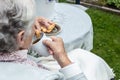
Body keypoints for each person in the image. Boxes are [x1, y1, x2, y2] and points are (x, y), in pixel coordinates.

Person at [0, 0, 114, 80]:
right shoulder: (42, 77)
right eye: (31, 27)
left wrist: (23, 22)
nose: (34, 29)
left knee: (81, 55)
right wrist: (63, 59)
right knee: (90, 63)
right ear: (21, 37)